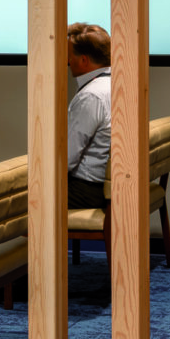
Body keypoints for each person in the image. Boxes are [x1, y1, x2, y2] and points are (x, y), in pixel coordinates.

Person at [65, 22, 113, 210]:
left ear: (84, 60)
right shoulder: (116, 85)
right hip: (106, 185)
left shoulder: (91, 96)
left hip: (87, 190)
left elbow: (67, 158)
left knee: (22, 197)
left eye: (70, 56)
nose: (68, 62)